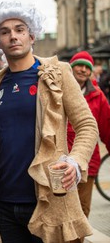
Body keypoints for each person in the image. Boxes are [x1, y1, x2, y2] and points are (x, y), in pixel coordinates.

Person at [0, 1, 99, 242]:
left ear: (32, 35)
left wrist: (76, 162)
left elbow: (87, 125)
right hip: (4, 203)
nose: (13, 36)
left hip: (49, 199)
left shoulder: (59, 72)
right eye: (5, 32)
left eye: (19, 29)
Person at [67, 51, 110, 221]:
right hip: (60, 163)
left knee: (81, 214)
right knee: (61, 215)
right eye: (79, 65)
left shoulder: (98, 96)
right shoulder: (57, 90)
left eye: (87, 67)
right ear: (71, 67)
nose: (83, 70)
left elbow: (107, 127)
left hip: (86, 163)